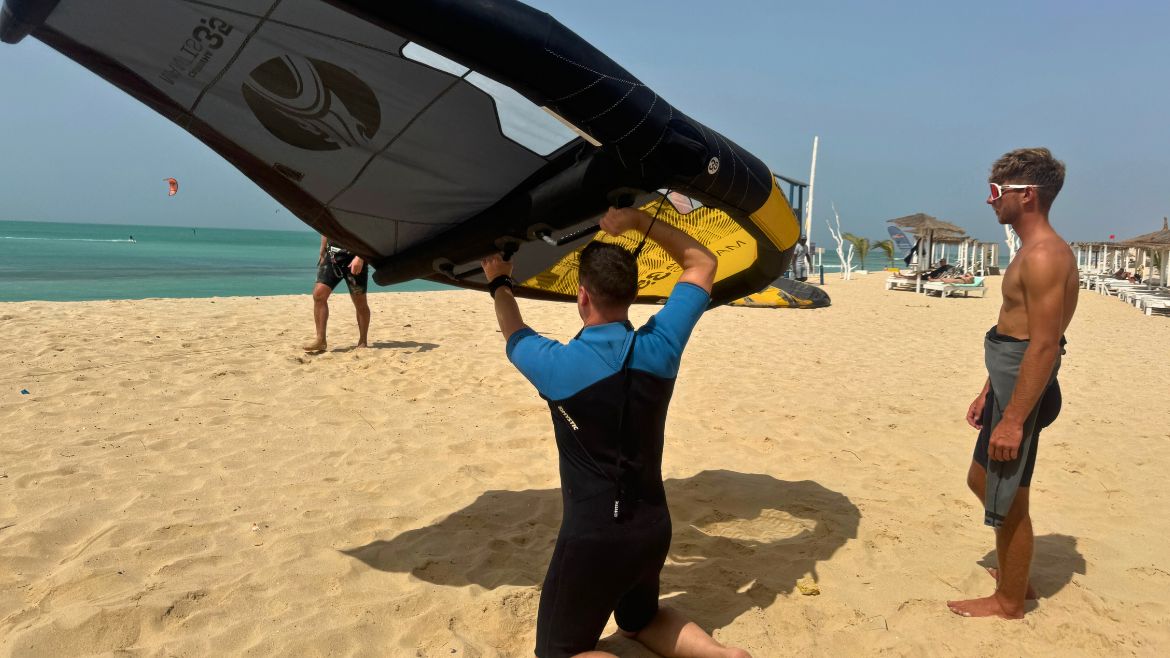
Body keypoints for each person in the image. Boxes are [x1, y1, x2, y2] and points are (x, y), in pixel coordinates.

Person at [482, 207, 750, 658]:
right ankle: (724, 656)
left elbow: (514, 331)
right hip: (652, 528)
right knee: (639, 621)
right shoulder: (661, 345)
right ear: (634, 293)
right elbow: (702, 263)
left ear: (582, 297)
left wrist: (499, 280)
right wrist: (639, 222)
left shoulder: (557, 367)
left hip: (593, 540)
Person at [948, 147, 1079, 619]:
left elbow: (1043, 345)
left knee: (1009, 495)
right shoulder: (1031, 252)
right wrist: (988, 391)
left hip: (1026, 393)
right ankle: (1014, 570)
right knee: (983, 480)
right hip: (1010, 387)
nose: (990, 201)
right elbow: (1014, 329)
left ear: (1026, 197)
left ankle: (1010, 599)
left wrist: (1014, 420)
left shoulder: (1045, 257)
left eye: (996, 192)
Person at [303, 235, 370, 352]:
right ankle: (320, 340)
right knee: (319, 295)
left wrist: (360, 257)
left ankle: (363, 340)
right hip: (332, 256)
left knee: (360, 303)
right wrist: (322, 249)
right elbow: (325, 225)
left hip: (355, 257)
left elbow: (369, 230)